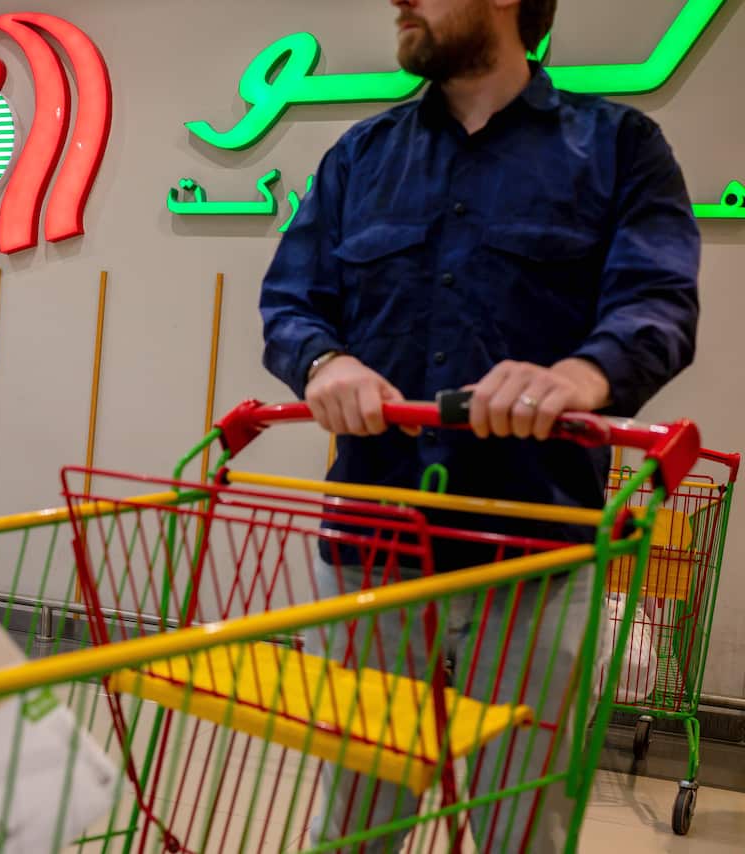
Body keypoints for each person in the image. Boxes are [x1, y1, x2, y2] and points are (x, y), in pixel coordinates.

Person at [259, 0, 699, 849]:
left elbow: (659, 304)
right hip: (373, 550)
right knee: (357, 819)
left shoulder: (619, 149)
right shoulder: (359, 156)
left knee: (519, 827)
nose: (400, 2)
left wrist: (578, 375)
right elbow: (290, 301)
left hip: (535, 551)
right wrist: (324, 361)